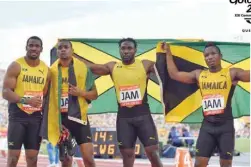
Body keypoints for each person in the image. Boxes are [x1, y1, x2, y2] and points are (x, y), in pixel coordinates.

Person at [163, 42, 250, 167]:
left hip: (225, 127)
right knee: (199, 164)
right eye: (206, 55)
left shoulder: (231, 73)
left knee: (226, 164)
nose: (209, 57)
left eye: (213, 54)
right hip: (207, 127)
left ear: (220, 56)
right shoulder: (199, 75)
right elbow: (174, 75)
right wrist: (168, 53)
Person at [88, 38, 163, 167]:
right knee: (127, 157)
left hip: (143, 116)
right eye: (123, 48)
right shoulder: (113, 67)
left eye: (129, 48)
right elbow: (91, 68)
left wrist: (165, 52)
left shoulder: (145, 64)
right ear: (119, 50)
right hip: (124, 119)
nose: (126, 51)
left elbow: (165, 69)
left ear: (135, 50)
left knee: (153, 153)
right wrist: (70, 59)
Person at [42, 39, 97, 167]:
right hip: (61, 120)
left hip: (79, 119)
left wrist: (81, 93)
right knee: (66, 160)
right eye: (60, 47)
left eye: (66, 47)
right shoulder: (51, 72)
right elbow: (45, 97)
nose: (63, 49)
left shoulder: (83, 69)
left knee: (88, 158)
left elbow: (94, 95)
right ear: (57, 52)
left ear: (72, 50)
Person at [2, 36, 50, 167]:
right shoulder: (16, 65)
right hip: (18, 115)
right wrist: (25, 100)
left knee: (32, 158)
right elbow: (5, 92)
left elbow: (45, 95)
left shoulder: (46, 69)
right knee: (13, 158)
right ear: (26, 47)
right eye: (31, 45)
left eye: (37, 46)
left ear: (41, 49)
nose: (33, 48)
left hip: (35, 117)